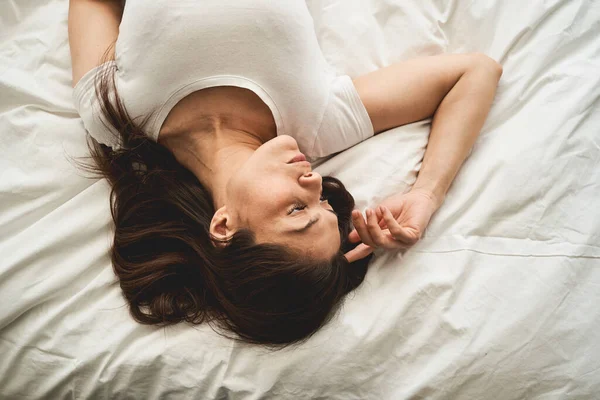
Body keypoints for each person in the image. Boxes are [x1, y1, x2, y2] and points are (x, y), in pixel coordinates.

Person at [68, 0, 502, 348]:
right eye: (324, 204)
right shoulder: (317, 121)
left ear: (223, 225)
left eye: (298, 210)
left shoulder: (114, 118)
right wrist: (426, 195)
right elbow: (475, 72)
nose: (314, 182)